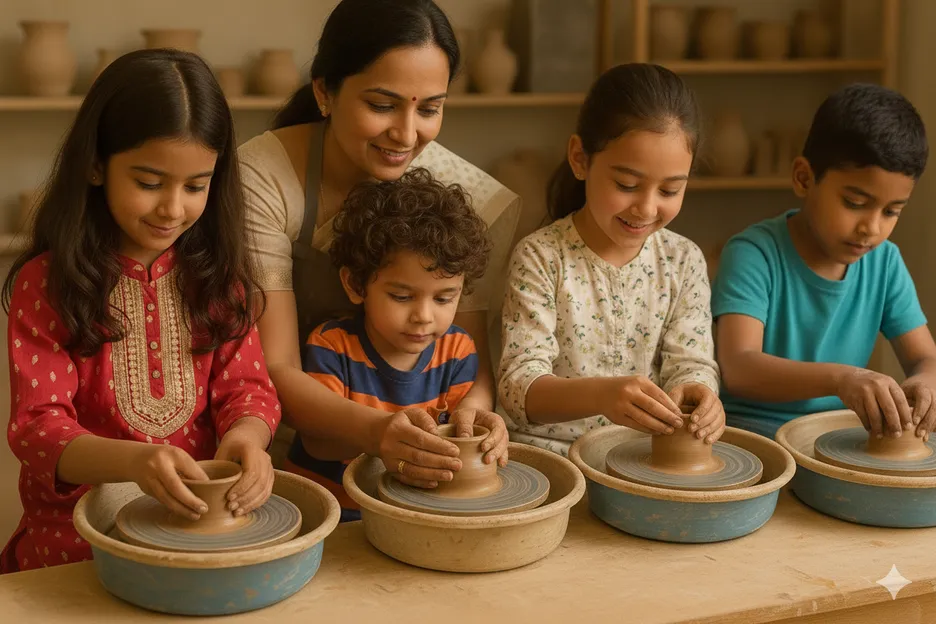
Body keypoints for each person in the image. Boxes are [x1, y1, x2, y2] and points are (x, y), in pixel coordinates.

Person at [0, 49, 281, 573]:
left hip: (198, 524)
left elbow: (248, 389)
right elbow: (36, 428)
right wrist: (134, 463)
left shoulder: (219, 279)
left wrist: (248, 441)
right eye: (149, 183)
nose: (173, 209)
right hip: (77, 533)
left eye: (196, 186)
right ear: (95, 164)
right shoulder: (47, 282)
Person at [239, 0, 518, 478]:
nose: (407, 134)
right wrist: (379, 432)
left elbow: (468, 355)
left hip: (422, 448)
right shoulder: (262, 179)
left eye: (430, 109)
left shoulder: (465, 196)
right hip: (284, 449)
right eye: (382, 105)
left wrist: (477, 413)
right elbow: (278, 368)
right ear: (325, 92)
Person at [497, 64, 724, 457]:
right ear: (580, 159)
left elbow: (691, 362)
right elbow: (519, 388)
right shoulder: (541, 257)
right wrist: (602, 395)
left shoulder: (683, 261)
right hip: (548, 457)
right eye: (627, 185)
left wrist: (701, 393)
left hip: (646, 457)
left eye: (670, 190)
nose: (647, 207)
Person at [713, 83, 936, 440]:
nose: (872, 228)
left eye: (892, 211)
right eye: (854, 202)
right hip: (750, 431)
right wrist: (841, 378)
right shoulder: (754, 252)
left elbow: (926, 358)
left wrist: (927, 383)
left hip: (834, 435)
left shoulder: (885, 263)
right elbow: (738, 367)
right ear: (804, 178)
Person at [284, 168, 494, 520]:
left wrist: (481, 431)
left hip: (408, 515)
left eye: (444, 299)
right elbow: (318, 441)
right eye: (401, 296)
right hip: (332, 515)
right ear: (354, 285)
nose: (424, 316)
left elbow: (461, 435)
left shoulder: (457, 351)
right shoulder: (332, 346)